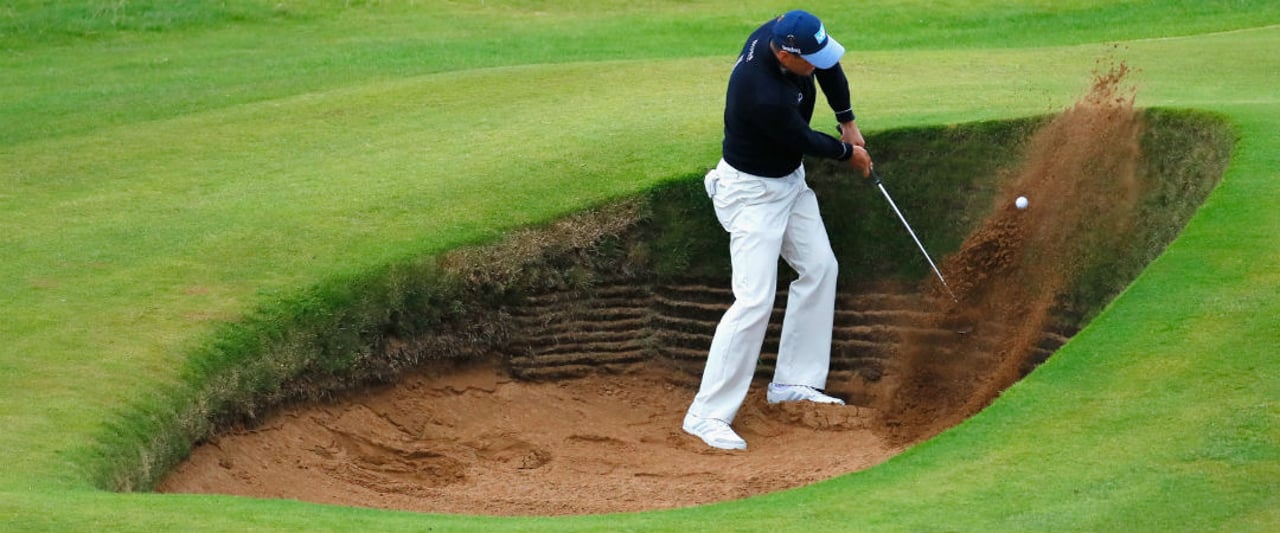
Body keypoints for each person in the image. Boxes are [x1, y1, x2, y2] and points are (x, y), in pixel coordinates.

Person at [683, 9, 873, 450]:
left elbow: (828, 66)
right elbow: (803, 139)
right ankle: (706, 414)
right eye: (809, 58)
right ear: (786, 54)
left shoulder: (783, 35)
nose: (818, 64)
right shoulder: (760, 93)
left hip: (789, 184)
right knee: (753, 300)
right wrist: (849, 153)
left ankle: (793, 383)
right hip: (751, 196)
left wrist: (847, 118)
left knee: (820, 267)